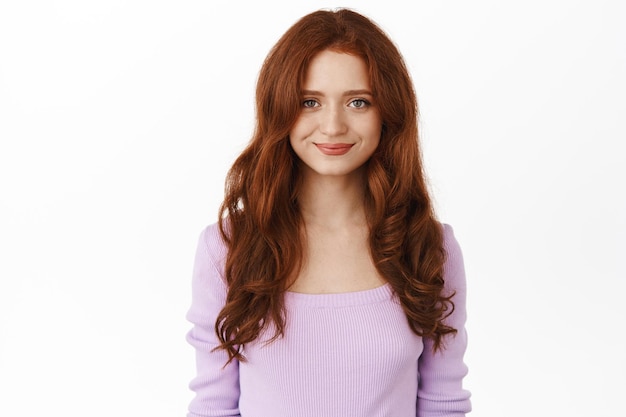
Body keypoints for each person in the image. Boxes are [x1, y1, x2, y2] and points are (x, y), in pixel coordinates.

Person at [186, 8, 471, 417]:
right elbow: (214, 407)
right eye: (310, 102)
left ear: (387, 111)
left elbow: (443, 403)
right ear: (279, 108)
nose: (333, 126)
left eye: (358, 101)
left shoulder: (428, 246)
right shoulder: (227, 247)